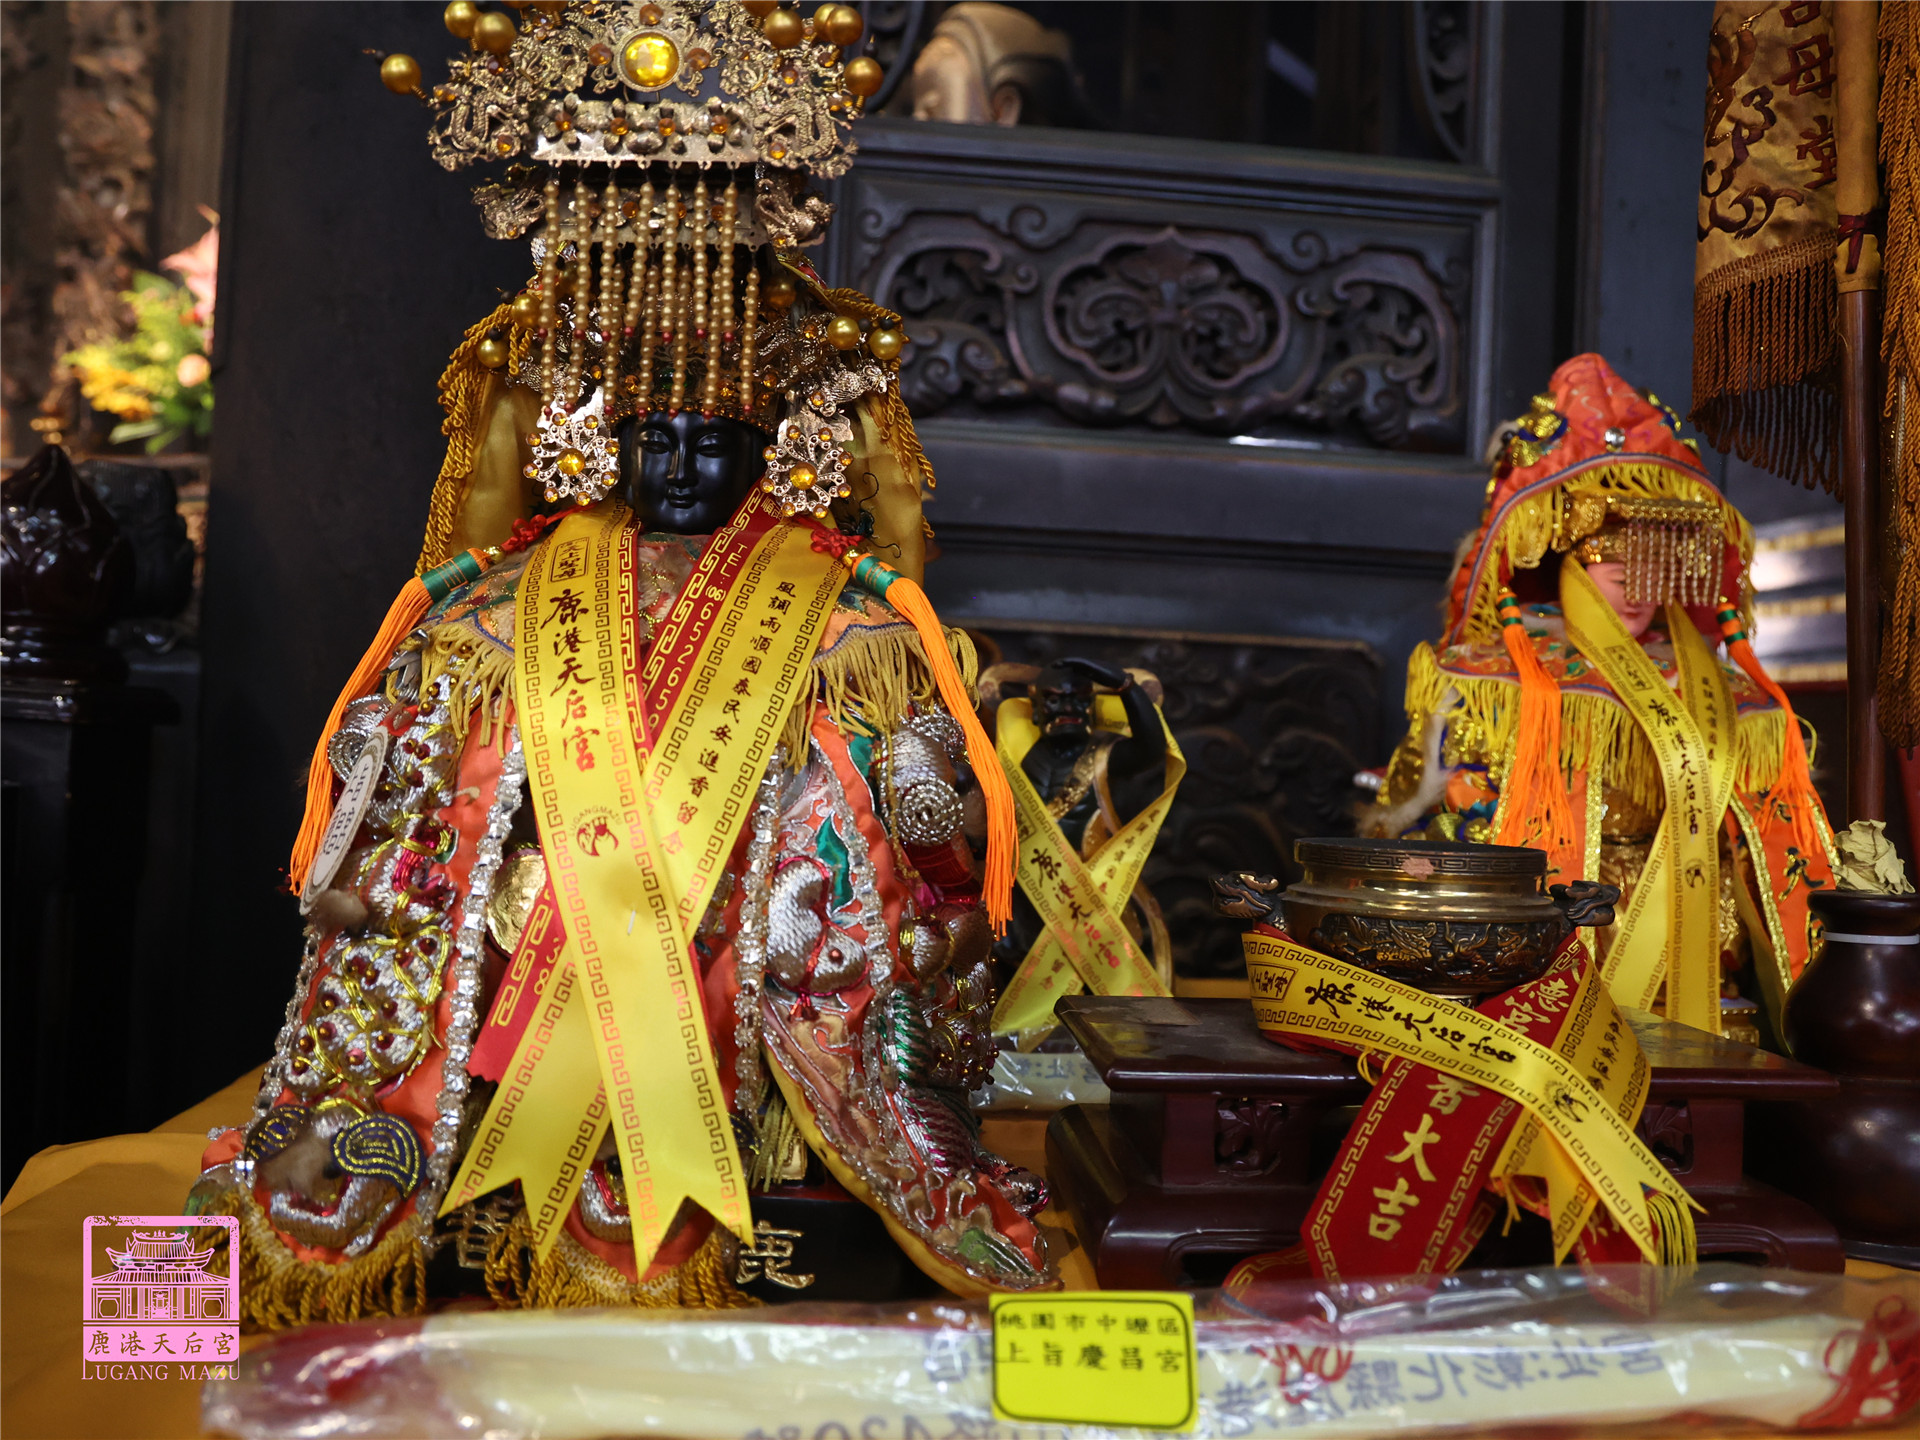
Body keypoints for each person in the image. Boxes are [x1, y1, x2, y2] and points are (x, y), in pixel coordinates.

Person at [189, 0, 1053, 1328]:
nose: (683, 461)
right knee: (452, 720)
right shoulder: (500, 600)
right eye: (652, 433)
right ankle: (424, 1121)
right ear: (596, 437)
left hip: (739, 960)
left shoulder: (848, 624)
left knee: (850, 766)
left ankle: (763, 1113)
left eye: (716, 434)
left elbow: (903, 830)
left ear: (773, 438)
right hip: (529, 939)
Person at [1367, 354, 1837, 1040]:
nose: (1640, 595)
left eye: (1656, 575)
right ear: (1573, 568)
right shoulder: (1493, 676)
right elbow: (1443, 808)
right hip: (1557, 918)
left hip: (1691, 920)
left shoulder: (1716, 685)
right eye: (1619, 575)